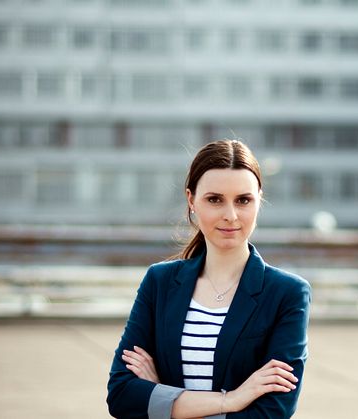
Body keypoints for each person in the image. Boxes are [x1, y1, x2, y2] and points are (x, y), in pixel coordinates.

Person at [107, 140, 311, 419]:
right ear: (191, 200)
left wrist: (161, 396)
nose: (231, 215)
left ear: (259, 200)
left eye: (243, 200)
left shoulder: (287, 293)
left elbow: (272, 412)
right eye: (215, 199)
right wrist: (231, 400)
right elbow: (121, 396)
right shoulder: (160, 282)